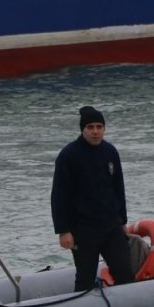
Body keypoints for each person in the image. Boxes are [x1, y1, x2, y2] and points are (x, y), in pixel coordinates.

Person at [51, 106, 135, 292]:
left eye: (99, 127)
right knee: (85, 278)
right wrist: (63, 231)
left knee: (125, 273)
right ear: (83, 129)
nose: (95, 132)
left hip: (111, 226)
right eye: (90, 127)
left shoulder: (111, 152)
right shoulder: (68, 156)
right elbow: (59, 196)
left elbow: (118, 188)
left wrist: (123, 220)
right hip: (83, 229)